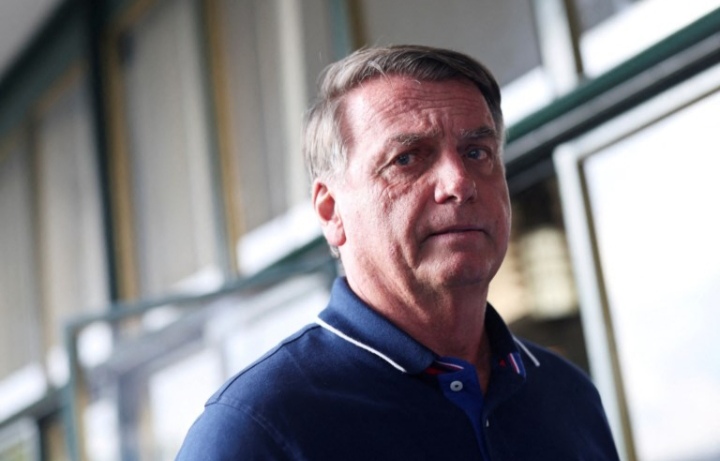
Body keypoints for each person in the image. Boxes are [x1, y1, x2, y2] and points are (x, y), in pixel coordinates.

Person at [176, 45, 620, 460]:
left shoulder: (568, 396)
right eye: (407, 158)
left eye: (476, 152)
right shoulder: (256, 428)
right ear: (331, 211)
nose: (459, 183)